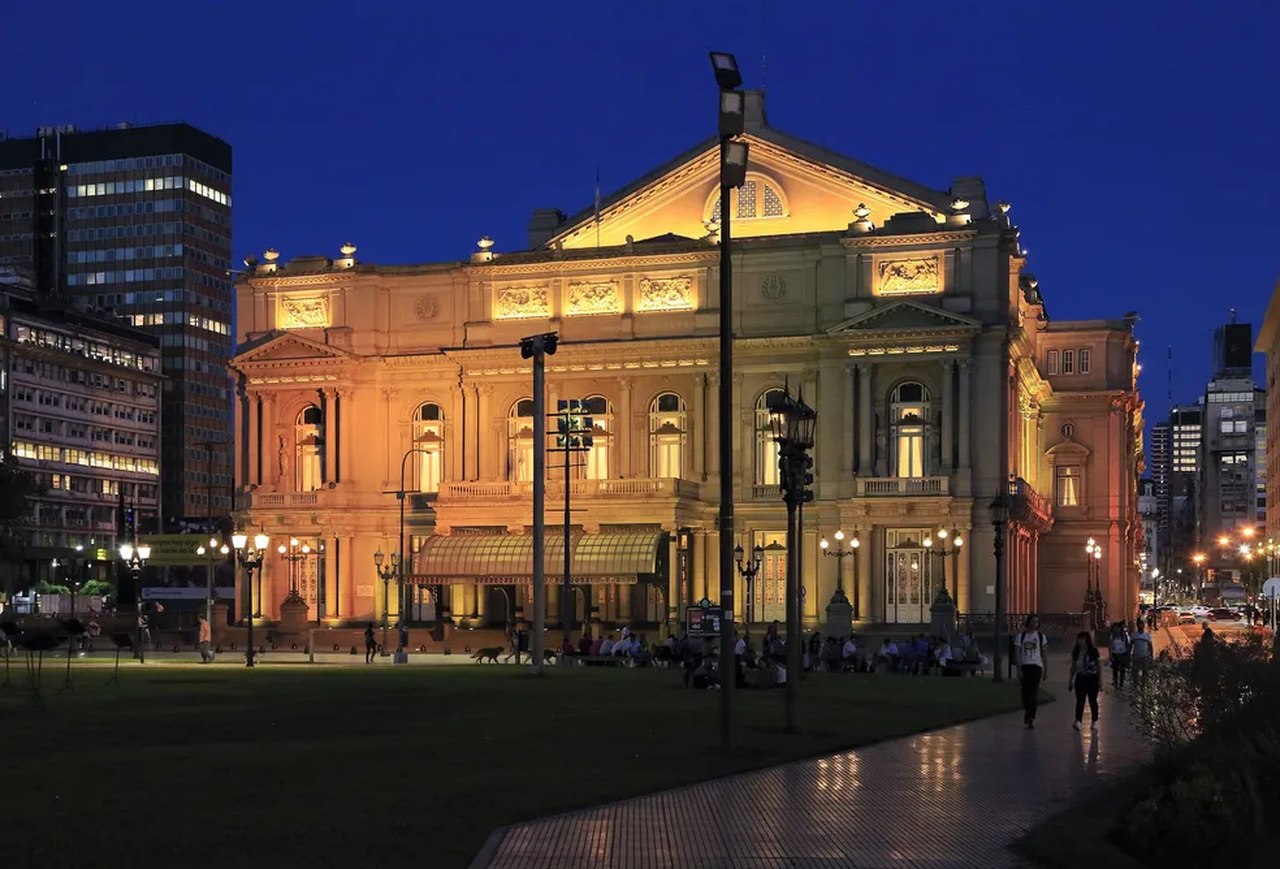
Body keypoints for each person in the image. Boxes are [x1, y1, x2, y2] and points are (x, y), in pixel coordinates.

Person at [1016, 615, 1048, 729]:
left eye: (1036, 622)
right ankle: (1027, 712)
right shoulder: (1021, 636)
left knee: (1033, 693)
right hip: (1025, 666)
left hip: (1036, 666)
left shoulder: (1040, 637)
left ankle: (1031, 717)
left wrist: (1046, 669)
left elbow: (1044, 654)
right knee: (1025, 693)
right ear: (1028, 622)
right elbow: (1017, 653)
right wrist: (1018, 669)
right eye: (1032, 621)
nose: (1034, 624)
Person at [1067, 630, 1101, 731]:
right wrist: (1070, 680)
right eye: (1079, 639)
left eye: (1083, 639)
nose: (1080, 641)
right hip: (1080, 678)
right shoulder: (1076, 653)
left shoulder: (1093, 651)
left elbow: (1098, 666)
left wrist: (1100, 680)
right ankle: (1078, 720)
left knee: (1092, 700)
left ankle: (1094, 721)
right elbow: (1073, 667)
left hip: (1092, 678)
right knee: (1080, 700)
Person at [1109, 622, 1131, 689]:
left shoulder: (1124, 635)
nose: (1116, 629)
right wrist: (1110, 655)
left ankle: (1121, 684)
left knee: (1122, 670)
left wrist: (1128, 654)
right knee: (1115, 669)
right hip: (1115, 654)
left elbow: (1128, 644)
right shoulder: (1112, 635)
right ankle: (1115, 683)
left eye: (1117, 628)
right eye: (1115, 628)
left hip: (1123, 654)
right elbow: (1110, 645)